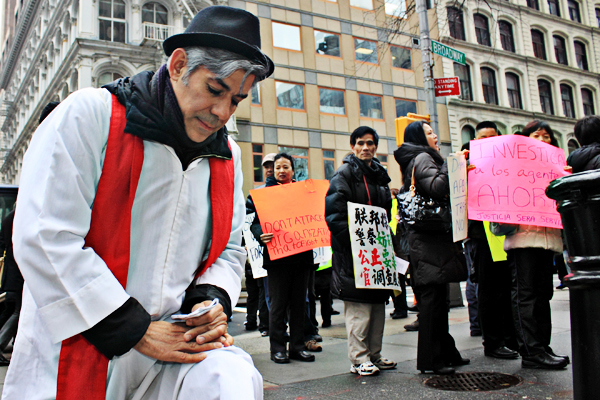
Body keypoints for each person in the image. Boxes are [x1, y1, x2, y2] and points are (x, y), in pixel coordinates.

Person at [5, 6, 274, 400]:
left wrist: (210, 300)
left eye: (236, 100)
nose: (222, 112)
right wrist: (134, 330)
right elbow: (45, 234)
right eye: (215, 90)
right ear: (179, 65)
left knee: (230, 379)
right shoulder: (89, 115)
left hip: (172, 351)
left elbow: (229, 249)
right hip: (78, 346)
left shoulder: (228, 156)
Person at [393, 121, 469, 375]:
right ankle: (431, 360)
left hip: (428, 242)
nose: (435, 135)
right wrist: (452, 163)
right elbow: (437, 187)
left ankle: (446, 353)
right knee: (432, 302)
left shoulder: (419, 158)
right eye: (429, 132)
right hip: (428, 242)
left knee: (437, 301)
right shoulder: (423, 157)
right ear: (419, 138)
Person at [497, 121, 569, 370]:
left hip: (548, 240)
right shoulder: (514, 168)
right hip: (523, 239)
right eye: (535, 135)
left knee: (542, 295)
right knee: (526, 296)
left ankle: (541, 346)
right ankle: (531, 350)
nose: (542, 139)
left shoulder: (557, 169)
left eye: (546, 136)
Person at [325, 126, 397, 376]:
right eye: (360, 143)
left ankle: (374, 354)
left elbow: (386, 214)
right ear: (353, 146)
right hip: (354, 255)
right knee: (359, 309)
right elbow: (334, 216)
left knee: (377, 306)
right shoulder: (343, 174)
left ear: (375, 146)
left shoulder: (380, 175)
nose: (365, 147)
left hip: (377, 253)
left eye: (369, 143)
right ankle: (358, 358)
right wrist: (356, 244)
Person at [247, 153, 316, 364]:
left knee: (298, 304)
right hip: (277, 257)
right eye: (278, 167)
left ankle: (297, 347)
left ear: (293, 171)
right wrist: (260, 234)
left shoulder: (304, 193)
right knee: (277, 305)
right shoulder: (265, 195)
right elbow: (254, 222)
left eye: (286, 167)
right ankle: (277, 348)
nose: (281, 171)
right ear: (273, 171)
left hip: (301, 256)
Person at [464, 121, 518, 359]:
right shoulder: (467, 166)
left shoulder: (509, 163)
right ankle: (493, 342)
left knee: (507, 289)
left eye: (491, 137)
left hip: (508, 234)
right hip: (482, 238)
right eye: (481, 137)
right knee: (488, 291)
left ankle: (509, 338)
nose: (486, 141)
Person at [244, 153, 277, 336]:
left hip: (289, 253)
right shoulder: (256, 195)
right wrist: (257, 237)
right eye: (267, 166)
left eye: (274, 165)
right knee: (266, 294)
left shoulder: (291, 190)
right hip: (263, 255)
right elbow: (252, 223)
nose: (270, 169)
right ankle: (268, 327)